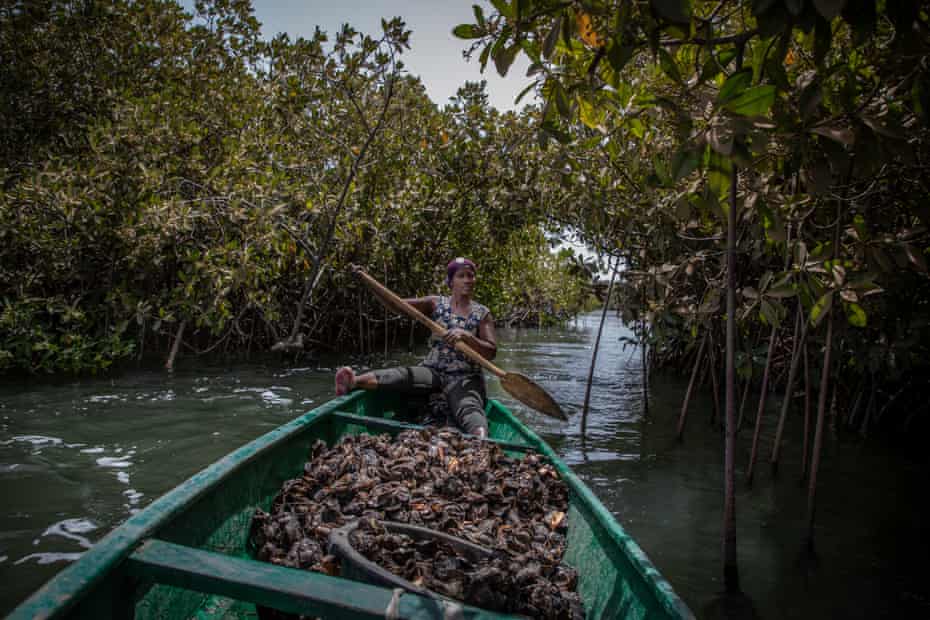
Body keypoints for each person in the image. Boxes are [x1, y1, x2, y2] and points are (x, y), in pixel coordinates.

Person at [334, 258, 497, 438]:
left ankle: (480, 440)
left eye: (471, 276)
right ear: (451, 281)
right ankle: (353, 381)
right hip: (433, 370)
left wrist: (467, 337)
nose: (467, 280)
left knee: (468, 407)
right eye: (461, 276)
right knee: (400, 375)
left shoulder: (482, 313)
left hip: (465, 377)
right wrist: (369, 283)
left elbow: (490, 351)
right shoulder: (435, 303)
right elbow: (397, 305)